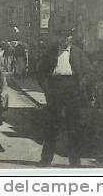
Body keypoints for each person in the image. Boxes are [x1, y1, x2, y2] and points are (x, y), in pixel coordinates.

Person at [37, 30, 93, 167]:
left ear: (71, 38)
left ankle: (75, 161)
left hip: (73, 91)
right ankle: (46, 160)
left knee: (73, 127)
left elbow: (89, 72)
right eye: (61, 36)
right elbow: (40, 73)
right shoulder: (50, 53)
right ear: (57, 37)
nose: (64, 39)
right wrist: (47, 90)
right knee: (51, 126)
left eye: (67, 37)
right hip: (55, 90)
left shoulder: (78, 53)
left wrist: (81, 86)